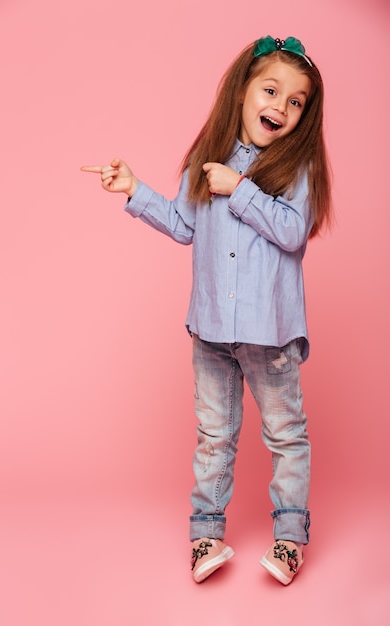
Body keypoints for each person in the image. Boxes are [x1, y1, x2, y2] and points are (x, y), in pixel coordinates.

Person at [81, 35, 332, 585]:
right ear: (242, 89)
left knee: (286, 435)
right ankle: (206, 536)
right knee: (214, 435)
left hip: (270, 334)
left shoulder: (298, 167)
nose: (280, 106)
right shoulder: (206, 158)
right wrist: (134, 189)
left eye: (296, 101)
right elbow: (184, 226)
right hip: (213, 329)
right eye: (271, 90)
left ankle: (289, 540)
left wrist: (239, 188)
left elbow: (293, 233)